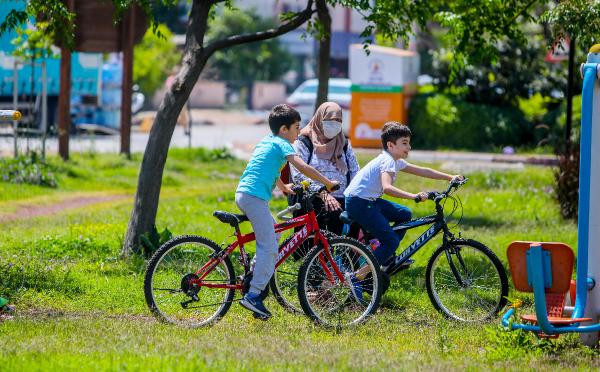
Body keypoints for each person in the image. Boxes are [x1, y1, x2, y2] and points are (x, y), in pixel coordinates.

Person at [236, 104, 338, 320]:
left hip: (246, 193)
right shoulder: (283, 145)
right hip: (254, 197)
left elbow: (267, 168)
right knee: (270, 247)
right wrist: (327, 182)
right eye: (296, 127)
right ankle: (253, 295)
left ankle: (254, 274)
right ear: (284, 129)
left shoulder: (268, 141)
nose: (299, 132)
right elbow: (302, 167)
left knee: (275, 231)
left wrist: (284, 188)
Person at [344, 122, 464, 276]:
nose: (409, 147)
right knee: (391, 241)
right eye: (404, 143)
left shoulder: (395, 160)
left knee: (405, 214)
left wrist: (450, 177)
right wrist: (413, 196)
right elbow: (387, 187)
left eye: (409, 143)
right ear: (390, 145)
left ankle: (383, 252)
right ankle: (359, 275)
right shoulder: (387, 160)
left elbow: (422, 170)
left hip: (366, 200)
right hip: (358, 202)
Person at [290, 102, 360, 235]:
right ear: (320, 118)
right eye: (330, 119)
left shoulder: (344, 144)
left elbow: (356, 172)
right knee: (312, 246)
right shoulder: (304, 142)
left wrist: (353, 197)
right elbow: (298, 175)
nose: (335, 123)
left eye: (338, 120)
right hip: (313, 199)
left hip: (343, 199)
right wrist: (323, 193)